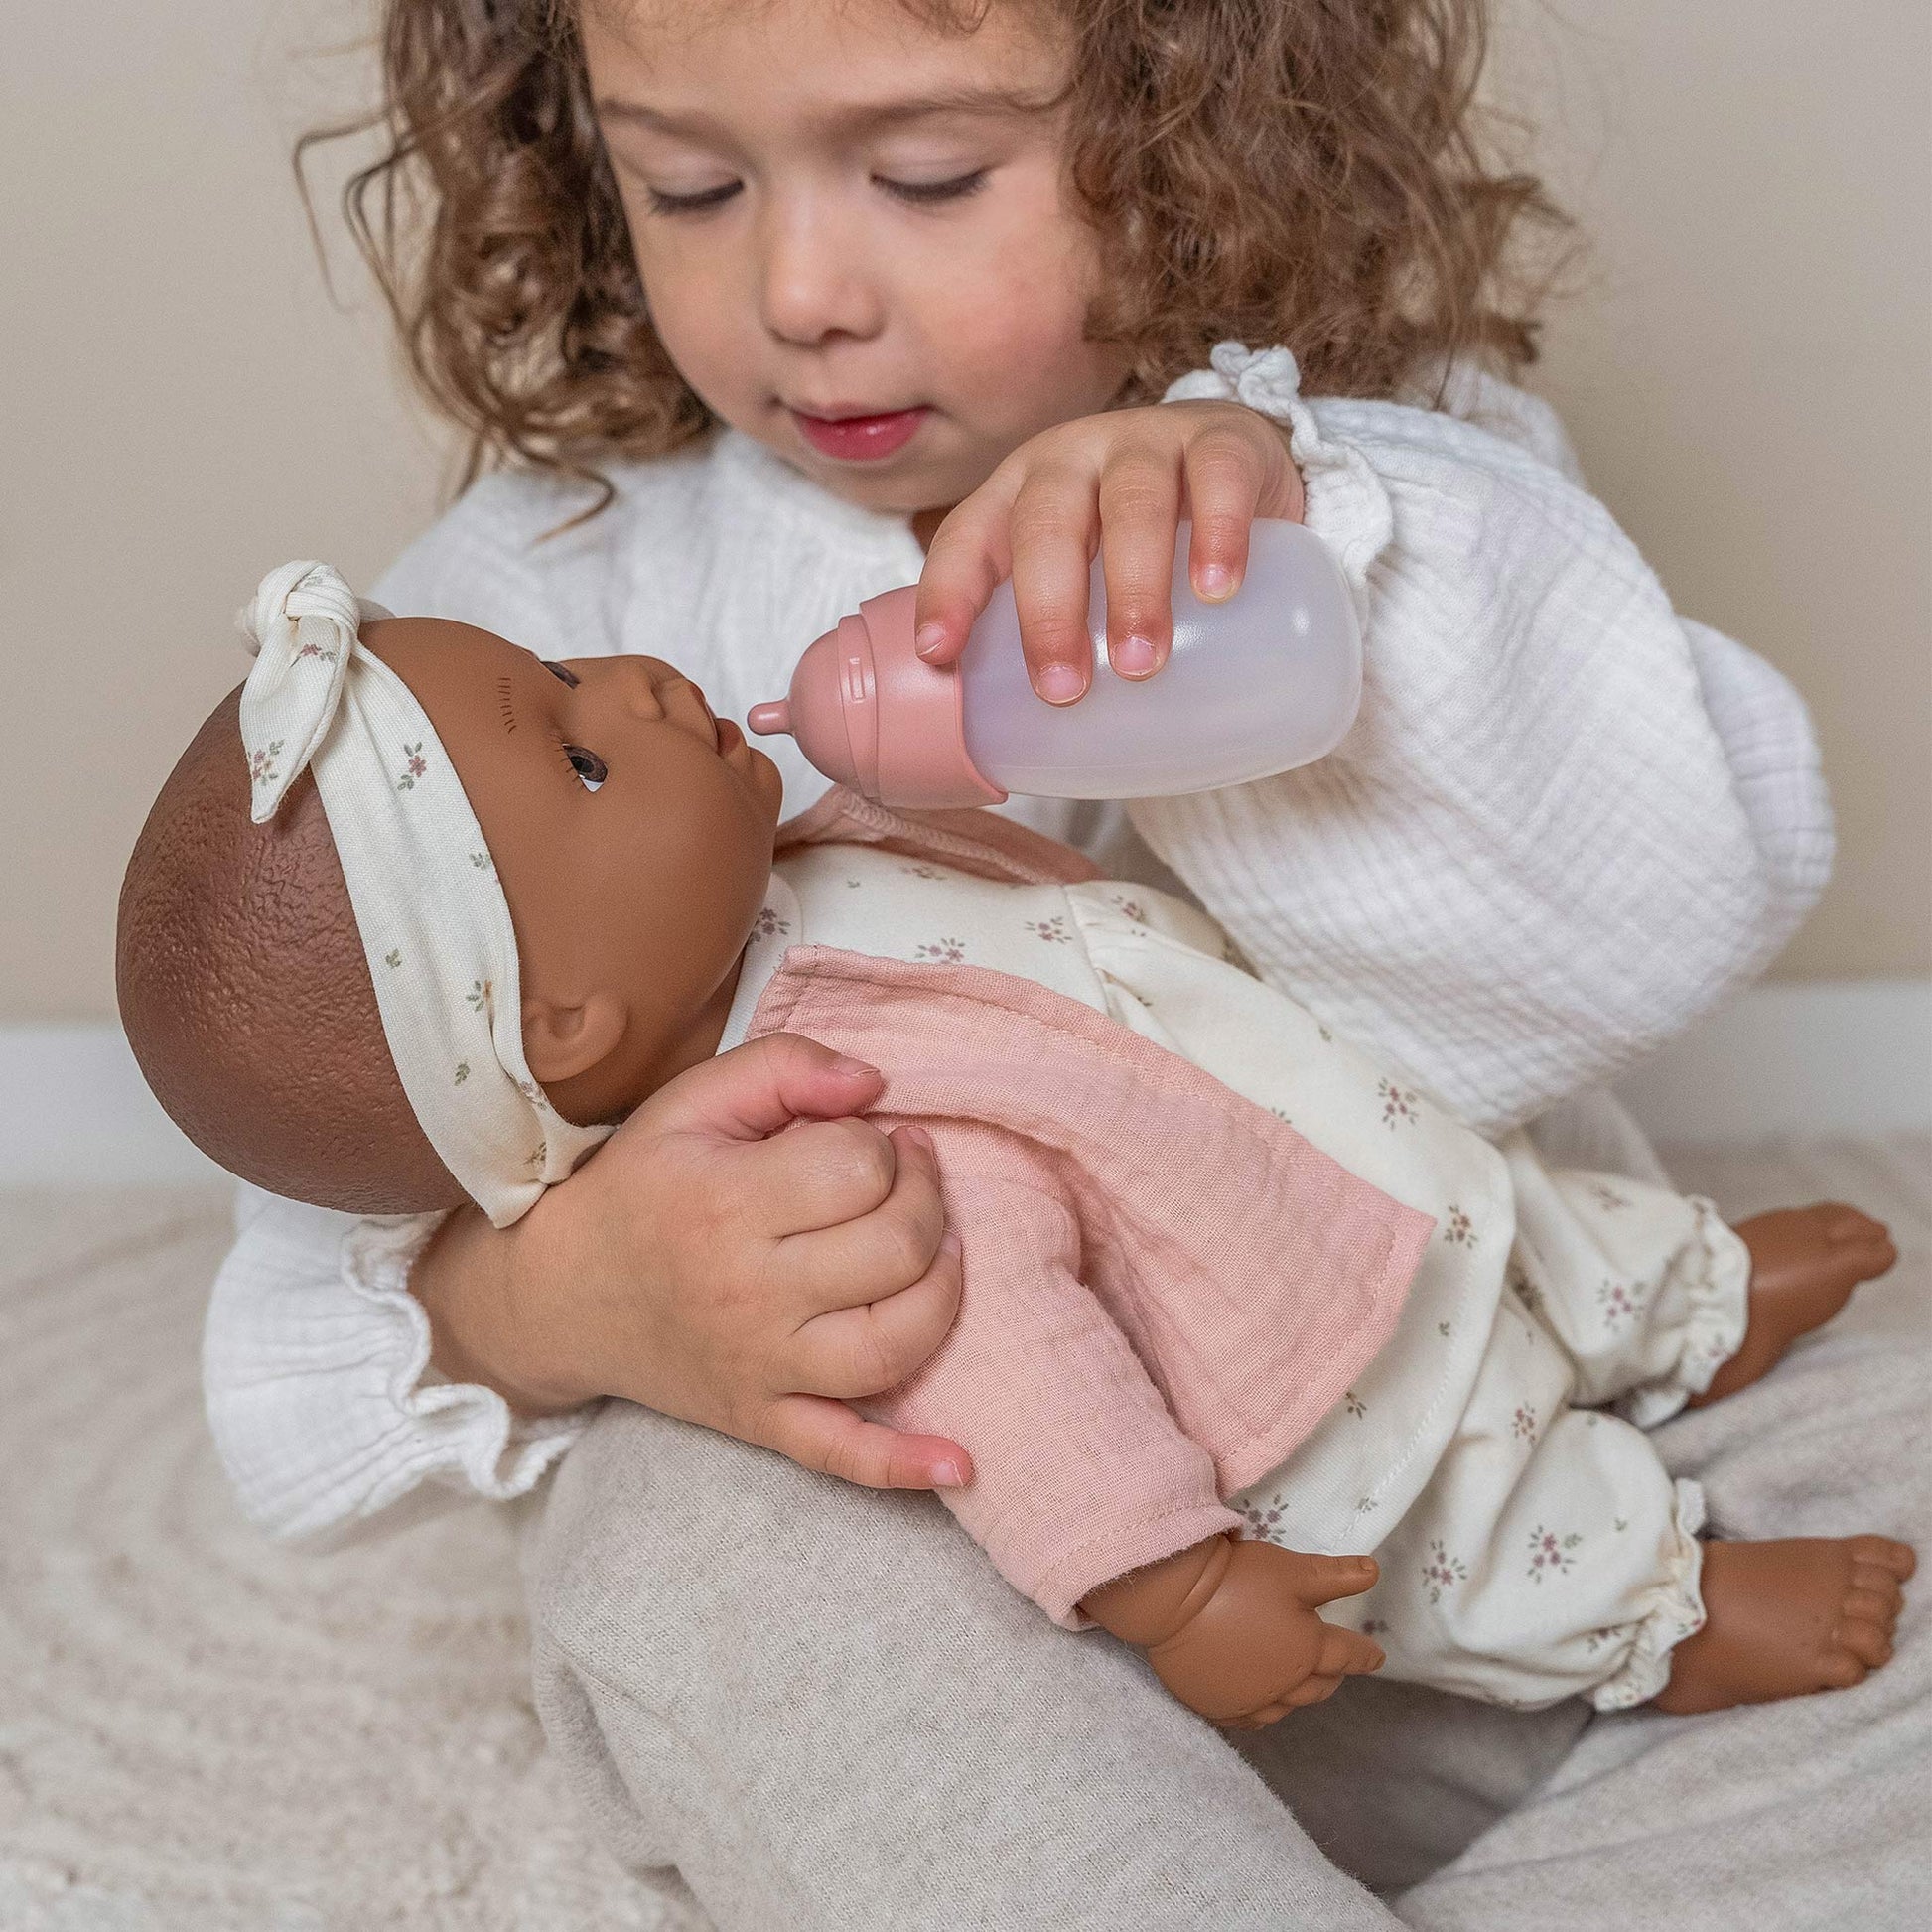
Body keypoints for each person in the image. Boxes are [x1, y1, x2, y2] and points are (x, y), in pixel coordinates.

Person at [201, 0, 1879, 1921]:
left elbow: (1677, 895)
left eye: (925, 173)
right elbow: (282, 1358)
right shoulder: (544, 606)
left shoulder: (1366, 478)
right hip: (985, 1665)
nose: (800, 288)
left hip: (1488, 1450)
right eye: (686, 184)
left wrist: (1281, 511)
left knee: (1878, 1456)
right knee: (681, 1550)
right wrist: (561, 1302)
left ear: (1189, 132)